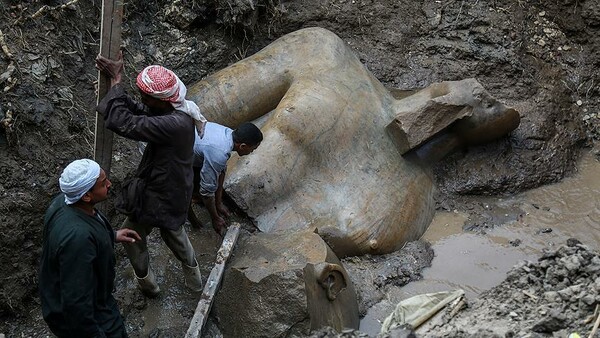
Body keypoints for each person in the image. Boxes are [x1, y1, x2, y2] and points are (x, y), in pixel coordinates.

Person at [95, 53, 206, 297]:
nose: (142, 98)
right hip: (159, 191)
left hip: (167, 195)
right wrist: (118, 83)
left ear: (163, 100)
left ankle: (191, 285)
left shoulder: (174, 124)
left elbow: (125, 122)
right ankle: (154, 286)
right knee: (139, 237)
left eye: (147, 95)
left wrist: (116, 82)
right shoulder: (174, 112)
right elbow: (140, 110)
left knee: (174, 239)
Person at [39, 159, 141, 338]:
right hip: (88, 312)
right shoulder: (77, 240)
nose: (109, 184)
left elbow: (90, 224)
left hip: (80, 300)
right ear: (86, 196)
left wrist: (112, 235)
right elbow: (77, 304)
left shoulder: (63, 202)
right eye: (103, 183)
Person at [192, 122, 263, 235]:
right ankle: (191, 217)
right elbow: (206, 192)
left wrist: (218, 202)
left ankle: (197, 198)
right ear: (243, 146)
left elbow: (221, 170)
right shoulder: (219, 152)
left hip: (191, 148)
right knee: (187, 192)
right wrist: (215, 218)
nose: (252, 152)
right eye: (252, 149)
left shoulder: (227, 134)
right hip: (174, 153)